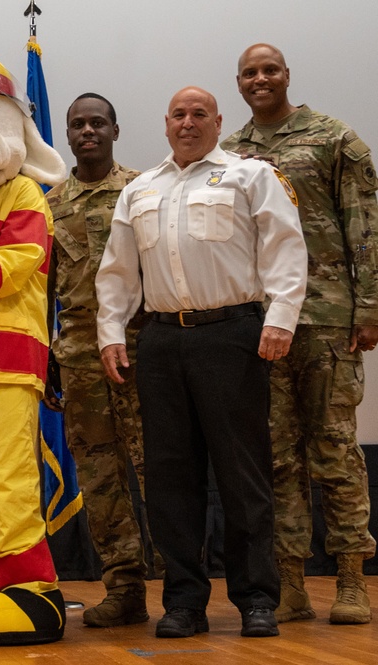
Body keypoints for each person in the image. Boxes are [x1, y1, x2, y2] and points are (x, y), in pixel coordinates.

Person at [95, 87, 308, 639]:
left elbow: (286, 245)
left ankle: (257, 599)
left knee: (243, 474)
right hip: (162, 341)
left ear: (218, 122)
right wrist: (110, 331)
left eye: (199, 115)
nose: (188, 123)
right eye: (178, 115)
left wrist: (281, 317)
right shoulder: (140, 189)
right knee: (170, 479)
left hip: (232, 335)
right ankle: (184, 602)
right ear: (165, 124)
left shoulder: (250, 175)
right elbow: (117, 271)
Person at [222, 43, 377, 625]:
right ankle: (289, 582)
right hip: (261, 324)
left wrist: (370, 306)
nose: (260, 79)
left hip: (328, 317)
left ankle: (351, 580)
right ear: (238, 84)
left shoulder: (334, 138)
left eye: (269, 70)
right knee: (277, 455)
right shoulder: (232, 153)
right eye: (249, 73)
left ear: (287, 76)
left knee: (335, 449)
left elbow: (364, 225)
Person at [45, 93, 152, 627]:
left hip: (140, 350)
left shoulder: (144, 190)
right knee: (100, 477)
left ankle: (182, 587)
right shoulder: (51, 203)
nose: (87, 132)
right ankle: (125, 587)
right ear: (67, 135)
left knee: (159, 469)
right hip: (81, 356)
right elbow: (43, 287)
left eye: (97, 123)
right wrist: (48, 359)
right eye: (77, 125)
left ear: (115, 128)